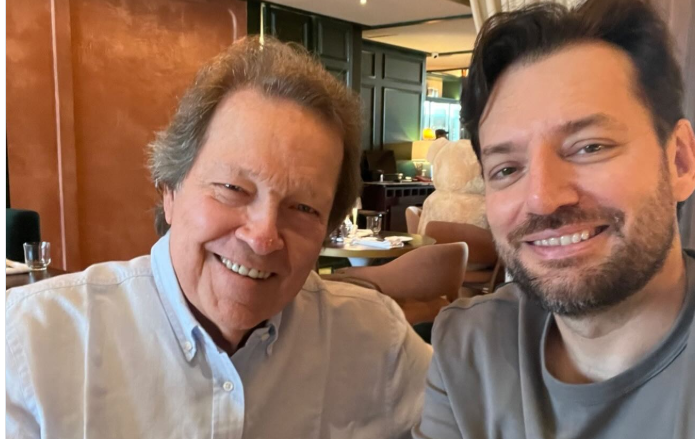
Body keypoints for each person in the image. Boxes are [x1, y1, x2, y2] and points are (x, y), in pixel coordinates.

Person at [7, 37, 432, 439]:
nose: (263, 237)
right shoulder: (30, 342)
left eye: (303, 208)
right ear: (169, 191)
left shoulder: (375, 342)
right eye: (232, 188)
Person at [414, 0, 695, 438]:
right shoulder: (470, 349)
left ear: (680, 162)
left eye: (590, 147)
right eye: (507, 169)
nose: (542, 199)